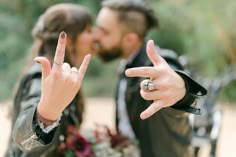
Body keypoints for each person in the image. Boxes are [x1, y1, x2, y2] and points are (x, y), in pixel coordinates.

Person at [95, 0, 207, 157]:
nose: (96, 36)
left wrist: (182, 90)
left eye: (104, 31)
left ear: (130, 39)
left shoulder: (156, 66)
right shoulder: (128, 64)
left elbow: (173, 81)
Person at [5, 3, 96, 156]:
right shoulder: (42, 78)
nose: (95, 35)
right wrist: (46, 115)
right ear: (67, 39)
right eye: (88, 30)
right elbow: (26, 143)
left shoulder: (63, 76)